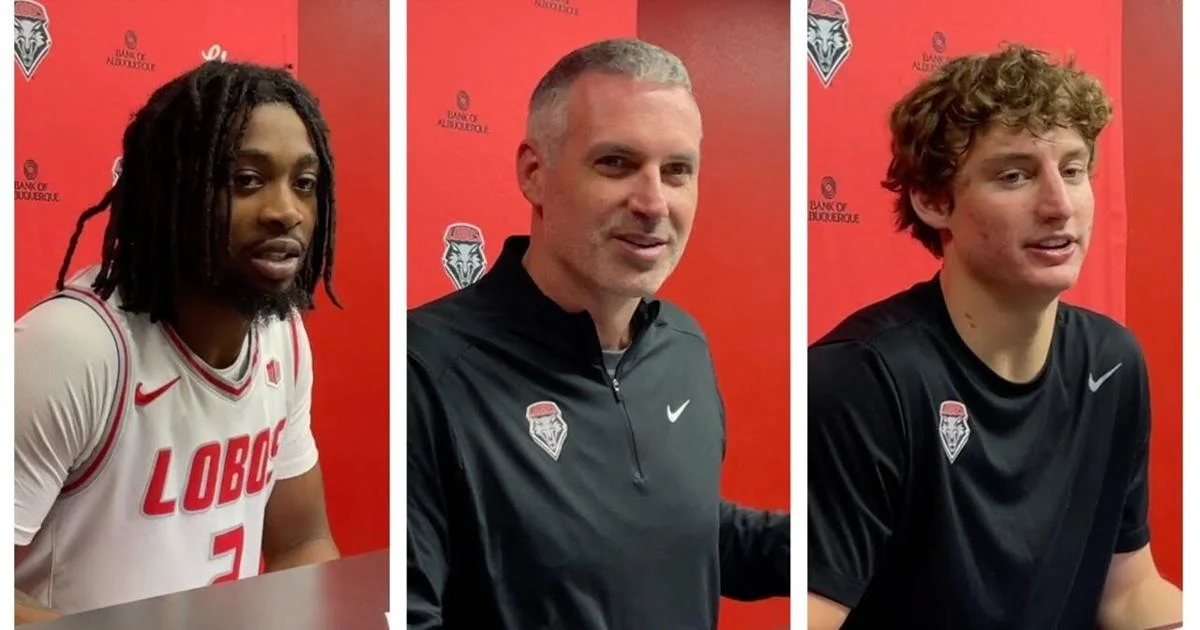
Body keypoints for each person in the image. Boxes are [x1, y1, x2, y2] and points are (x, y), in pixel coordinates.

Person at [407, 38, 790, 629]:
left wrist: (851, 533)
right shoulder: (426, 369)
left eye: (677, 171)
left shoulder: (683, 345)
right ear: (535, 174)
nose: (653, 201)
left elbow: (682, 534)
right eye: (615, 163)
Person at [807, 43, 1183, 628]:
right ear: (934, 201)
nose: (1059, 206)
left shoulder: (1112, 360)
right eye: (1015, 175)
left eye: (1074, 169)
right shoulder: (861, 377)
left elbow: (1128, 591)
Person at [14, 61, 342, 624]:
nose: (287, 211)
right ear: (174, 190)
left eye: (304, 184)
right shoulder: (74, 347)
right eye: (246, 180)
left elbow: (301, 543)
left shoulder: (281, 338)